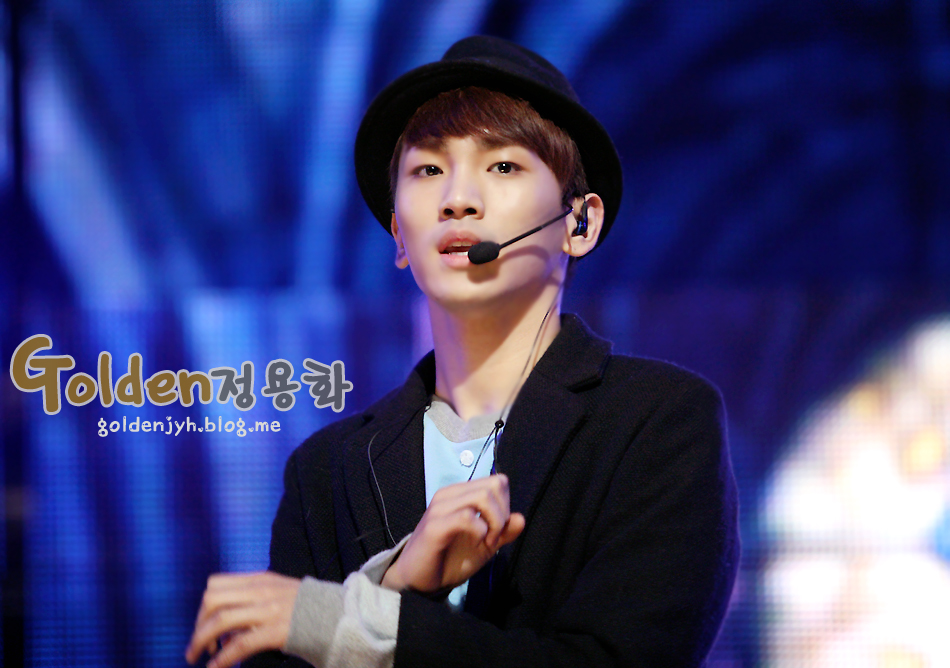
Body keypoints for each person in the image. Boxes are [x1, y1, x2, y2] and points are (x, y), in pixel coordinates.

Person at [186, 35, 739, 668]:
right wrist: (393, 585)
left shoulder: (658, 420)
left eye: (502, 166)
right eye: (428, 170)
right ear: (399, 235)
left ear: (578, 223)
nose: (457, 198)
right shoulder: (325, 469)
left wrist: (351, 622)